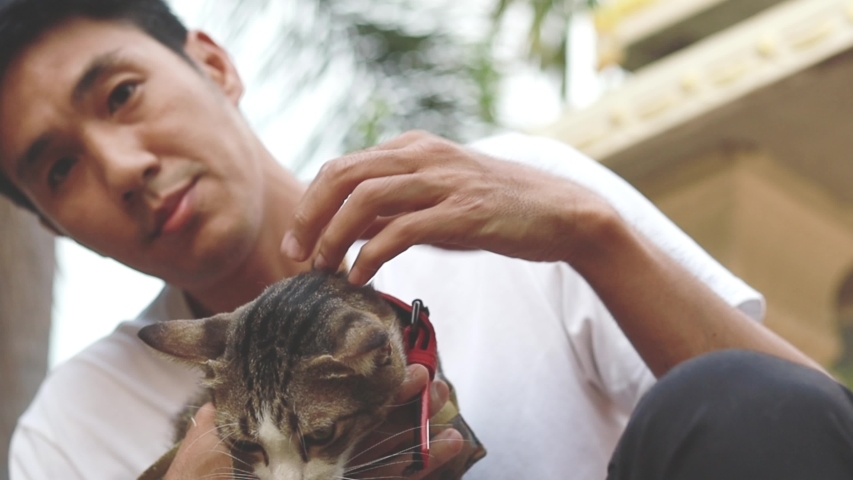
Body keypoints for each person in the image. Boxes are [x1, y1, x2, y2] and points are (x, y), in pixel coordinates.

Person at [0, 0, 850, 479]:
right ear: (51, 223)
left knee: (737, 396)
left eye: (122, 94)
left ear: (215, 65)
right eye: (60, 169)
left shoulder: (509, 199)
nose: (123, 167)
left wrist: (592, 236)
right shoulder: (74, 431)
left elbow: (801, 426)